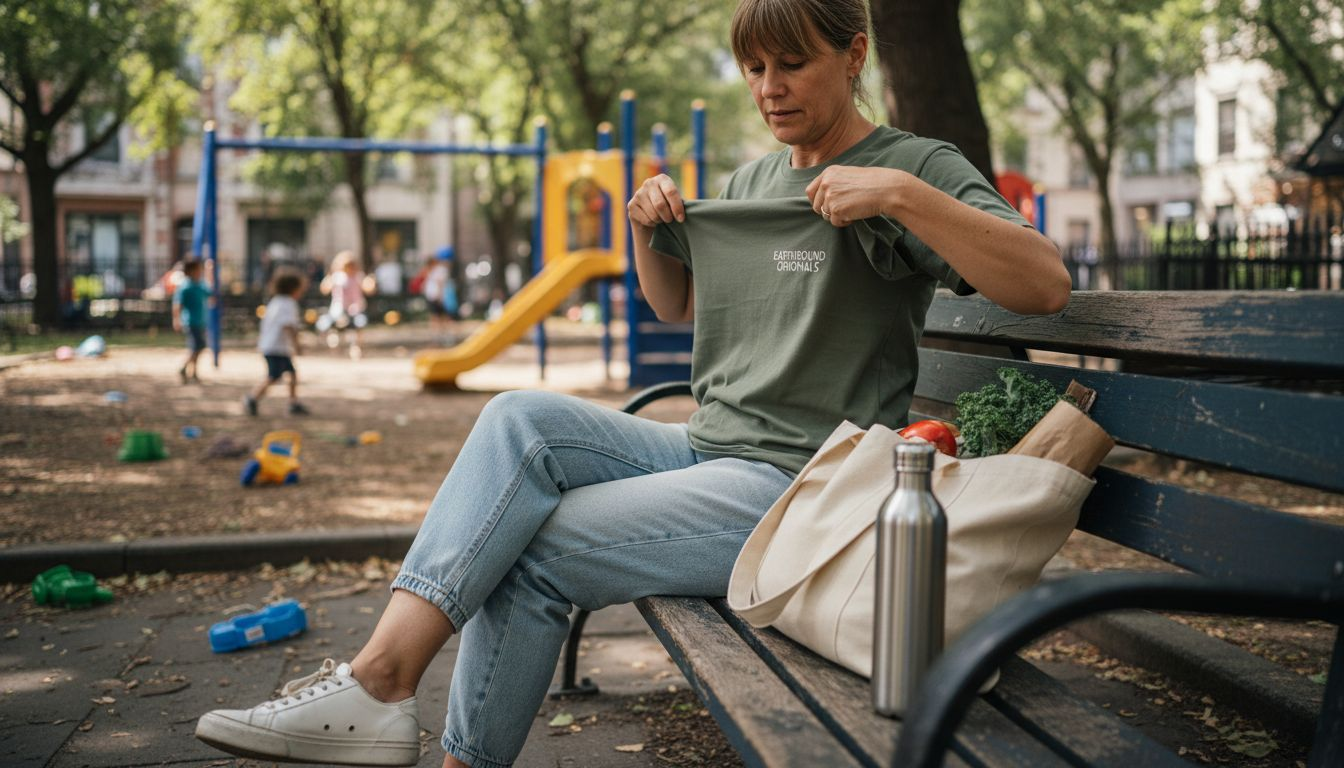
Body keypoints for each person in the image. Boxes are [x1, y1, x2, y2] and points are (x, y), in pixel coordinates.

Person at [195, 1, 1070, 766]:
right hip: (703, 446)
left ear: (855, 54)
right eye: (754, 67)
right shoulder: (754, 179)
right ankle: (378, 687)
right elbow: (678, 306)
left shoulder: (913, 164)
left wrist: (903, 195)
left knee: (532, 551)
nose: (769, 86)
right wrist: (647, 227)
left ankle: (386, 694)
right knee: (517, 420)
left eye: (792, 61)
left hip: (803, 487)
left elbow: (1044, 284)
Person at [244, 268, 310, 417]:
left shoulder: (276, 301)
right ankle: (252, 398)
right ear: (293, 288)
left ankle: (293, 402)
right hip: (276, 348)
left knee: (292, 374)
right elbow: (288, 326)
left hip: (274, 347)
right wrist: (297, 345)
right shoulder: (288, 304)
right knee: (273, 376)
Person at [317, 250, 374, 359]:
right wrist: (328, 279)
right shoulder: (337, 276)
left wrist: (370, 283)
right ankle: (335, 346)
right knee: (334, 326)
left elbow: (368, 288)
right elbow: (325, 288)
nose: (350, 269)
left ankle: (356, 348)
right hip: (339, 308)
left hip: (355, 308)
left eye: (351, 266)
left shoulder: (358, 276)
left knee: (358, 325)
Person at [171, 259, 211, 384]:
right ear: (191, 271)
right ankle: (184, 368)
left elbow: (210, 293)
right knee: (196, 347)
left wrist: (210, 272)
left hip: (200, 321)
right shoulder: (185, 287)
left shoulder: (200, 284)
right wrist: (176, 319)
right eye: (198, 269)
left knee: (198, 348)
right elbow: (177, 305)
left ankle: (193, 372)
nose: (200, 272)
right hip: (190, 322)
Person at [421, 246, 457, 343]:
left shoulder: (434, 270)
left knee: (437, 316)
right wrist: (441, 296)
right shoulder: (441, 270)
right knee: (442, 316)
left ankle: (439, 334)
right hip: (436, 296)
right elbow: (439, 284)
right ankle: (443, 334)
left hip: (432, 295)